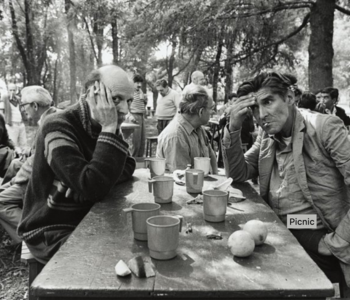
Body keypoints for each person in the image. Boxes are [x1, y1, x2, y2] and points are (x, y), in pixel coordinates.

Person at [222, 71, 350, 295]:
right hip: (280, 227)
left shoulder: (325, 127)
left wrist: (337, 241)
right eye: (254, 108)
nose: (261, 115)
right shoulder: (266, 136)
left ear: (290, 98)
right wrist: (232, 128)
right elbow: (238, 173)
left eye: (268, 102)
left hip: (316, 229)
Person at [17, 65, 136, 263]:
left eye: (129, 100)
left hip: (87, 216)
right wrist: (89, 183)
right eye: (115, 99)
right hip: (51, 228)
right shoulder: (57, 125)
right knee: (111, 263)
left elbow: (128, 164)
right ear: (90, 94)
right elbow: (93, 187)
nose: (125, 109)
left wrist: (86, 182)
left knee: (135, 243)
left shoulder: (102, 122)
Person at [0, 86, 58, 245]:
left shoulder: (49, 122)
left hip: (43, 181)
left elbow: (37, 164)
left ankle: (31, 238)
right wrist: (29, 152)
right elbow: (39, 154)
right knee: (15, 164)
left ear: (35, 106)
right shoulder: (51, 116)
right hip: (45, 175)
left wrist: (14, 181)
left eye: (23, 105)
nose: (22, 109)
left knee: (1, 201)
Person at [157, 85, 218, 173]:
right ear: (201, 112)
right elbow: (182, 180)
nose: (214, 112)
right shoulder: (176, 137)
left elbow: (211, 155)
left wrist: (216, 180)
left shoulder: (198, 127)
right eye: (211, 108)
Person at [4, 83, 27, 155]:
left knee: (24, 143)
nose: (12, 92)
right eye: (10, 90)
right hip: (12, 124)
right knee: (14, 144)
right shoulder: (5, 98)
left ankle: (24, 158)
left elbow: (22, 109)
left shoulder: (18, 99)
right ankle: (14, 160)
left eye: (14, 90)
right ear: (7, 90)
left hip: (20, 124)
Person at [128, 74, 147, 157]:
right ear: (133, 83)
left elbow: (143, 104)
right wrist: (130, 115)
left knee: (142, 142)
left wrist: (145, 99)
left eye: (140, 83)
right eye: (137, 82)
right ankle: (133, 161)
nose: (139, 85)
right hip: (134, 116)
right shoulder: (130, 91)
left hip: (141, 116)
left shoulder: (140, 91)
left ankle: (140, 162)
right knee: (136, 142)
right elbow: (126, 105)